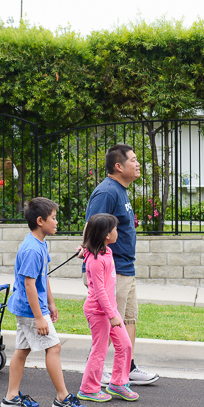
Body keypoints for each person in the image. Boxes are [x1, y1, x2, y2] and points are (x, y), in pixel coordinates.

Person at [1, 197, 89, 407]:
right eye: (53, 218)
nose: (56, 222)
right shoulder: (32, 249)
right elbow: (29, 285)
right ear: (40, 220)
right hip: (31, 310)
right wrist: (40, 316)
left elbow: (42, 277)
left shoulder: (40, 243)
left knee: (22, 350)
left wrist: (50, 302)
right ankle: (62, 398)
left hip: (30, 307)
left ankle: (11, 397)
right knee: (54, 347)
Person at [85, 144, 159, 385]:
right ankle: (95, 370)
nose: (138, 164)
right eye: (134, 160)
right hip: (110, 270)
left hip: (126, 267)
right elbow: (91, 228)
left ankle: (127, 367)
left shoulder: (121, 190)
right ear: (119, 166)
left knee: (128, 319)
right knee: (108, 322)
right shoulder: (107, 192)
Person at [78, 213, 138, 402]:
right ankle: (88, 388)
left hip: (109, 310)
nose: (117, 232)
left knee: (125, 344)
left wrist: (84, 249)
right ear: (106, 235)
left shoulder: (105, 252)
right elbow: (100, 292)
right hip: (99, 311)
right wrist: (112, 315)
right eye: (115, 229)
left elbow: (89, 247)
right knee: (100, 349)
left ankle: (118, 383)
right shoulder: (96, 261)